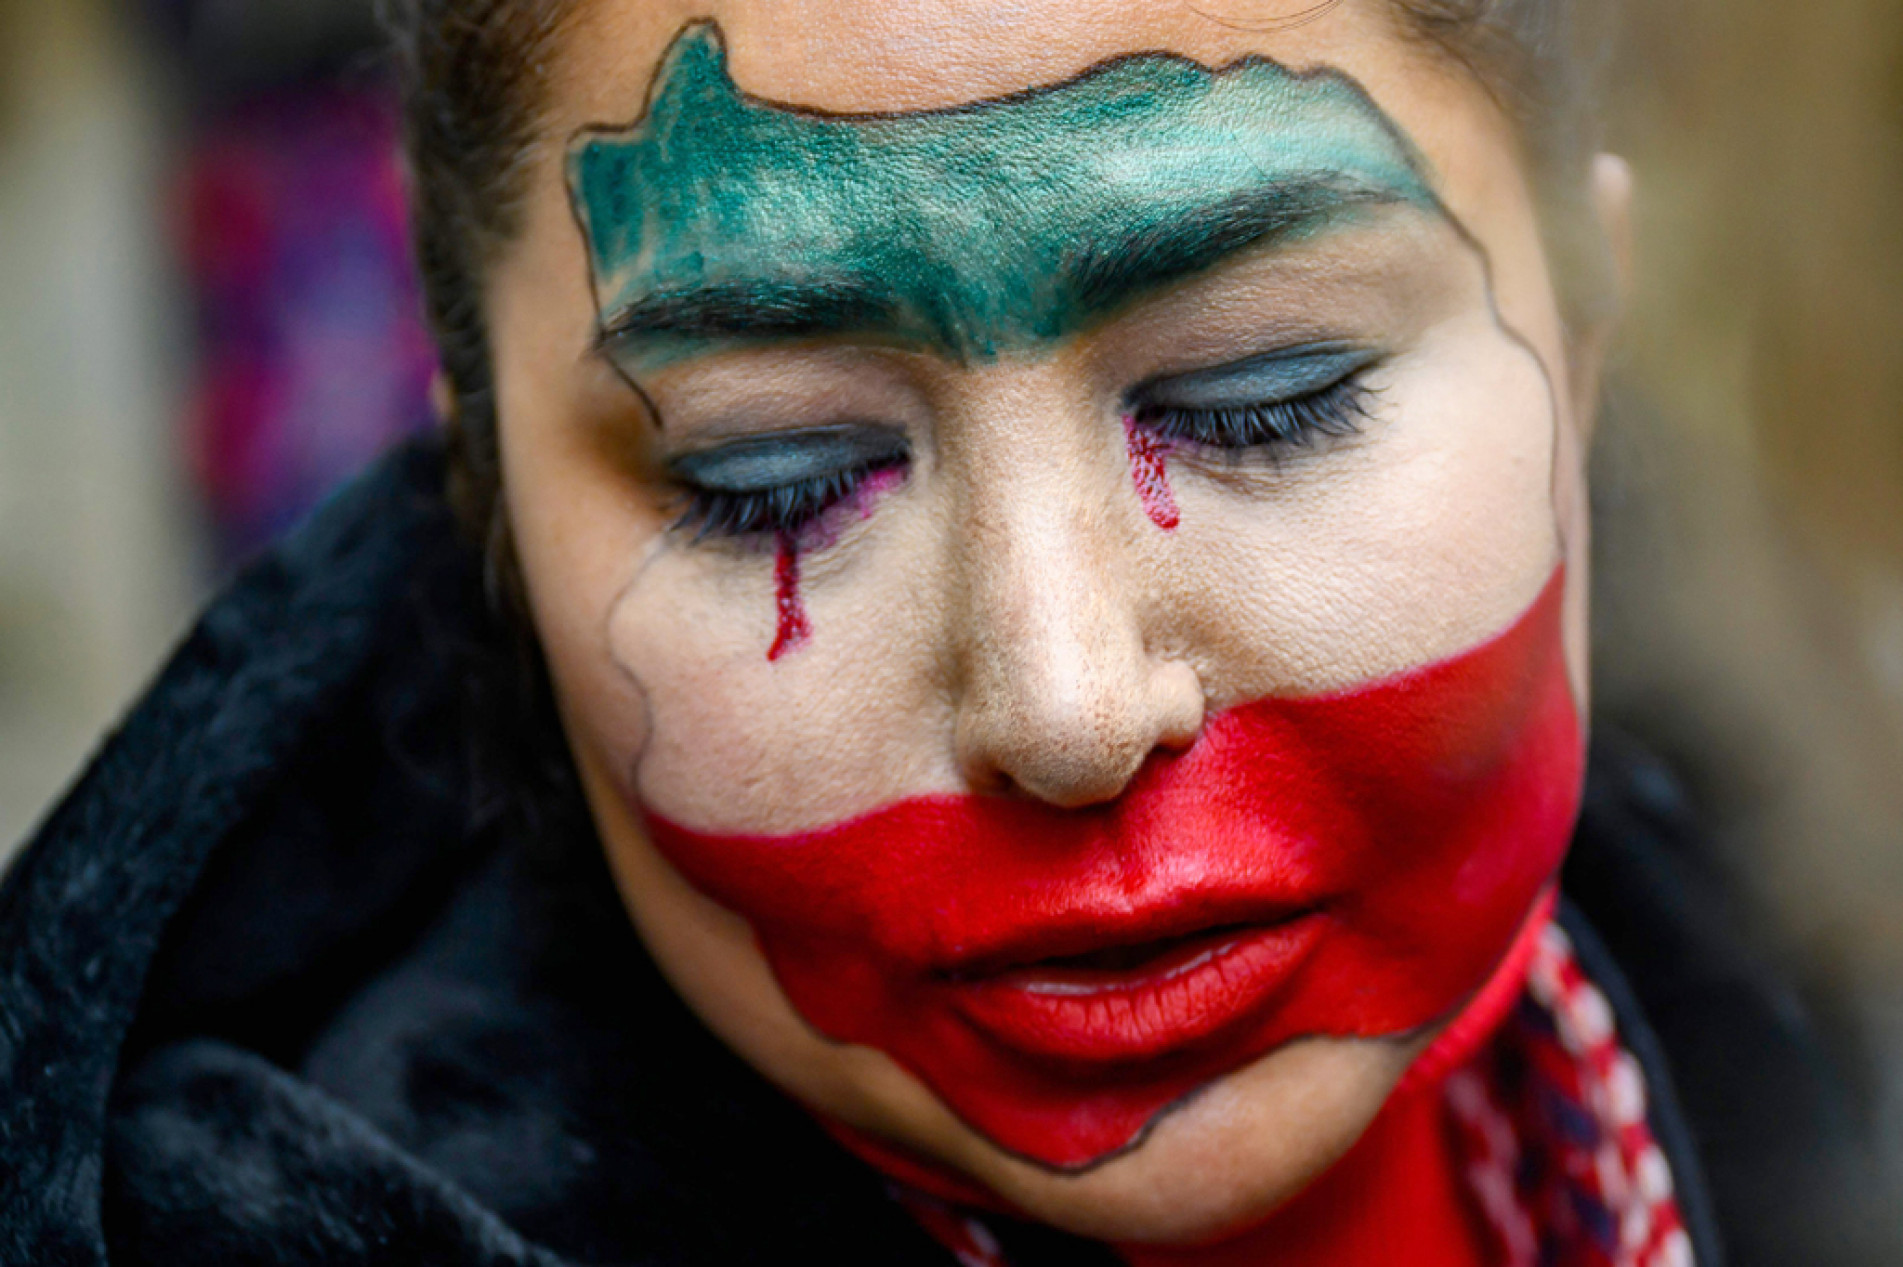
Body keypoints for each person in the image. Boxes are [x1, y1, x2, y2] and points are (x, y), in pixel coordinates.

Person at [0, 1, 1883, 1263]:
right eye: (773, 479)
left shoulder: (1743, 1030)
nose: (1066, 704)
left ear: (1589, 328)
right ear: (476, 478)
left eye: (1264, 394)